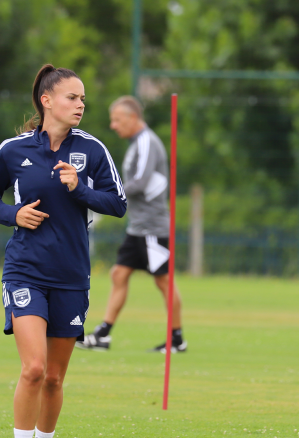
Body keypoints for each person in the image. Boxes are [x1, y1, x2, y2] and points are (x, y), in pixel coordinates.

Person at [0, 64, 126, 438]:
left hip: (72, 276)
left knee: (55, 379)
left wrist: (80, 189)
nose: (80, 105)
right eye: (72, 97)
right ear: (47, 101)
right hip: (25, 269)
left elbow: (118, 203)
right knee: (34, 370)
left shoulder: (92, 149)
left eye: (83, 99)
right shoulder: (13, 150)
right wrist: (14, 214)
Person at [77, 95, 187, 354]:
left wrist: (107, 196)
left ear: (132, 118)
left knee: (163, 282)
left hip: (152, 228)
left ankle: (177, 339)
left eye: (117, 119)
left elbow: (139, 182)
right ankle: (103, 335)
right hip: (137, 227)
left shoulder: (147, 141)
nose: (114, 126)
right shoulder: (137, 143)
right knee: (119, 274)